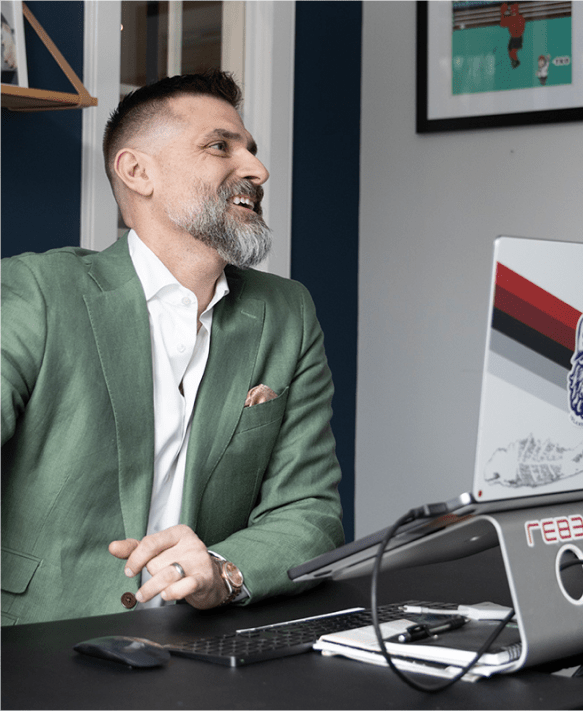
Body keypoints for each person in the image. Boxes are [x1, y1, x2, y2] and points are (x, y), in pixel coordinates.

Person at [0, 70, 344, 626]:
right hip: (33, 642)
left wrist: (224, 570)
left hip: (199, 642)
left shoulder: (288, 312)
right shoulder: (37, 293)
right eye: (219, 146)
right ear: (137, 171)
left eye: (251, 151)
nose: (258, 170)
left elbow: (309, 511)